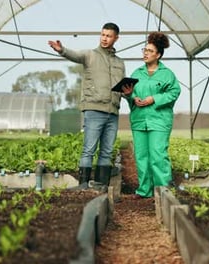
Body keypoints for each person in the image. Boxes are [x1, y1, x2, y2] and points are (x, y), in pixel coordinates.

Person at [48, 22, 125, 190]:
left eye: (109, 36)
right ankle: (83, 187)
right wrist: (62, 50)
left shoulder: (120, 63)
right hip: (94, 109)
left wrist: (127, 92)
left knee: (106, 151)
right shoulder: (90, 55)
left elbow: (122, 87)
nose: (105, 38)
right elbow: (74, 55)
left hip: (113, 112)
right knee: (88, 150)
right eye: (103, 35)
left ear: (116, 38)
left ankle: (101, 186)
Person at [122, 32, 181, 198]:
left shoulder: (167, 74)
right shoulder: (136, 73)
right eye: (144, 50)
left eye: (149, 50)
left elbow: (174, 92)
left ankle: (163, 191)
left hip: (159, 121)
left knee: (158, 155)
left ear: (159, 55)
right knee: (141, 156)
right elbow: (129, 93)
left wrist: (154, 99)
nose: (145, 53)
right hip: (139, 120)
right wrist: (130, 96)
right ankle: (144, 190)